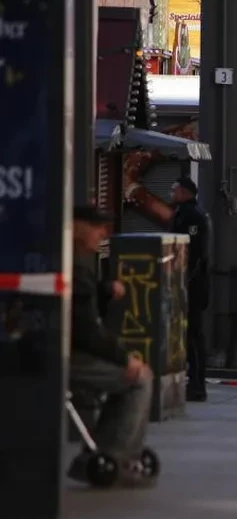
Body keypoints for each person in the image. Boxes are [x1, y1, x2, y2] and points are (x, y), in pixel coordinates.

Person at [68, 206, 155, 488]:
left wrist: (104, 291)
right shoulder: (73, 266)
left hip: (54, 349)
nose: (103, 234)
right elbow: (86, 331)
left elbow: (84, 312)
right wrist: (124, 358)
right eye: (97, 227)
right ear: (76, 226)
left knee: (133, 375)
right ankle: (115, 455)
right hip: (64, 356)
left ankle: (104, 449)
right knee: (139, 379)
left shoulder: (74, 263)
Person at [170, 176, 212, 402]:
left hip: (193, 287)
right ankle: (192, 381)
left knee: (193, 335)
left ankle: (197, 385)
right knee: (188, 335)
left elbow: (195, 254)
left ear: (185, 192)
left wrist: (183, 281)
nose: (171, 194)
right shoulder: (184, 214)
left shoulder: (193, 216)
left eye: (175, 190)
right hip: (188, 284)